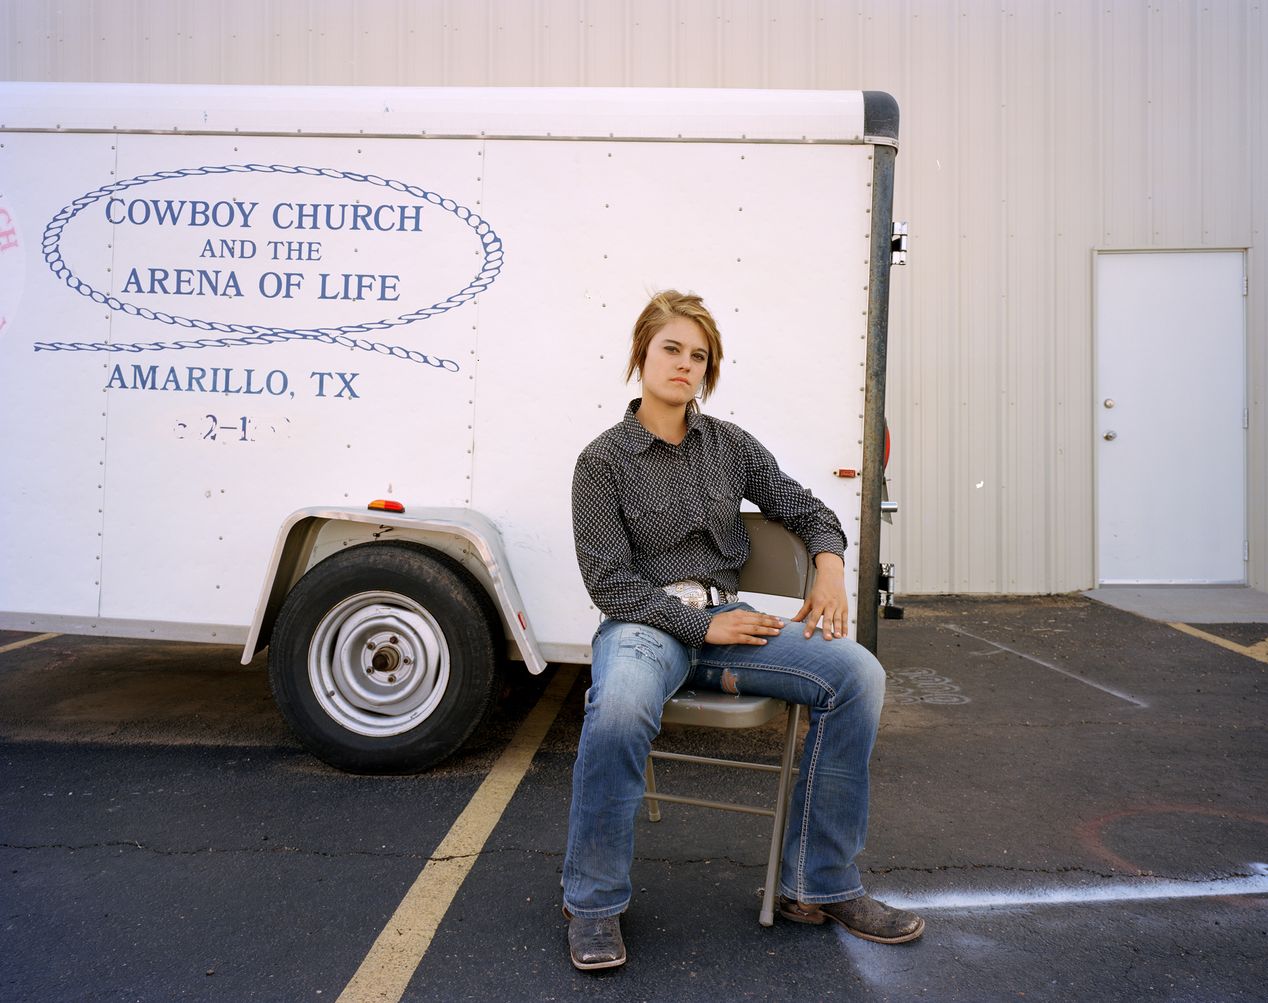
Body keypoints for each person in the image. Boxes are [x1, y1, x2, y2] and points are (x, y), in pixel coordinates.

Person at [563, 290, 924, 970]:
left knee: (857, 674)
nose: (685, 364)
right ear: (642, 354)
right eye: (672, 348)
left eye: (699, 356)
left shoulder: (729, 445)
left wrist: (828, 566)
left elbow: (806, 505)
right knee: (616, 708)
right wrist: (700, 624)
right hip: (647, 626)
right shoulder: (602, 460)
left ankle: (816, 885)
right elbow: (609, 582)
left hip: (734, 624)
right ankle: (592, 903)